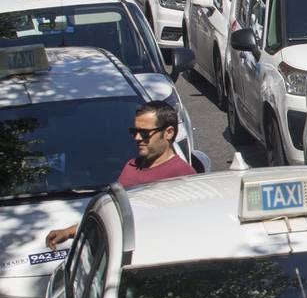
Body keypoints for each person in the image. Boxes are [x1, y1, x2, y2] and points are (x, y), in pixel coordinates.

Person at [45, 100, 196, 249]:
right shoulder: (131, 166)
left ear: (168, 132)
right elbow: (112, 213)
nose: (137, 138)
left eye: (144, 133)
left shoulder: (182, 176)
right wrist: (69, 232)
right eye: (134, 132)